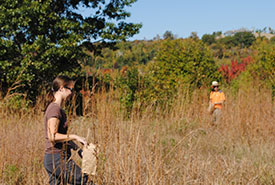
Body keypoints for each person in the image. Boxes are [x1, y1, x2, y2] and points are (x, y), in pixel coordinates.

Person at [43, 75, 92, 185]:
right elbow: (53, 137)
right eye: (71, 89)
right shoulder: (54, 109)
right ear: (61, 88)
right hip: (57, 158)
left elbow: (62, 137)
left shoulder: (58, 109)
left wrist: (77, 149)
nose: (72, 93)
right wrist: (75, 136)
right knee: (86, 182)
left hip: (53, 158)